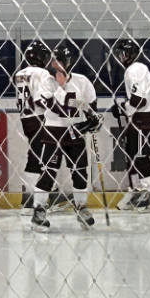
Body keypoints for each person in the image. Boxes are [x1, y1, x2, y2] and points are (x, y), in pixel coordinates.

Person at [31, 42, 100, 231]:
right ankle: (38, 209)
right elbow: (50, 105)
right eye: (52, 61)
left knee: (80, 172)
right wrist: (61, 85)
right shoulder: (46, 81)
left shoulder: (82, 81)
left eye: (57, 60)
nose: (53, 64)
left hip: (74, 131)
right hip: (53, 131)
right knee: (48, 172)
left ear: (67, 61)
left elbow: (92, 108)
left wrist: (94, 120)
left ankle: (81, 207)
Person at [111, 38, 150, 212]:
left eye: (121, 53)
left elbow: (139, 100)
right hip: (139, 119)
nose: (120, 57)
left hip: (144, 119)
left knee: (140, 155)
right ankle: (138, 190)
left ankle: (146, 193)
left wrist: (123, 108)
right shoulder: (134, 69)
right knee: (133, 155)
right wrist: (124, 107)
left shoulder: (135, 69)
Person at [13, 40, 54, 213]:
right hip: (40, 118)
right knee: (42, 158)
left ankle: (33, 197)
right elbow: (41, 99)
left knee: (36, 155)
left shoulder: (19, 73)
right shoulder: (42, 73)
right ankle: (34, 199)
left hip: (26, 119)